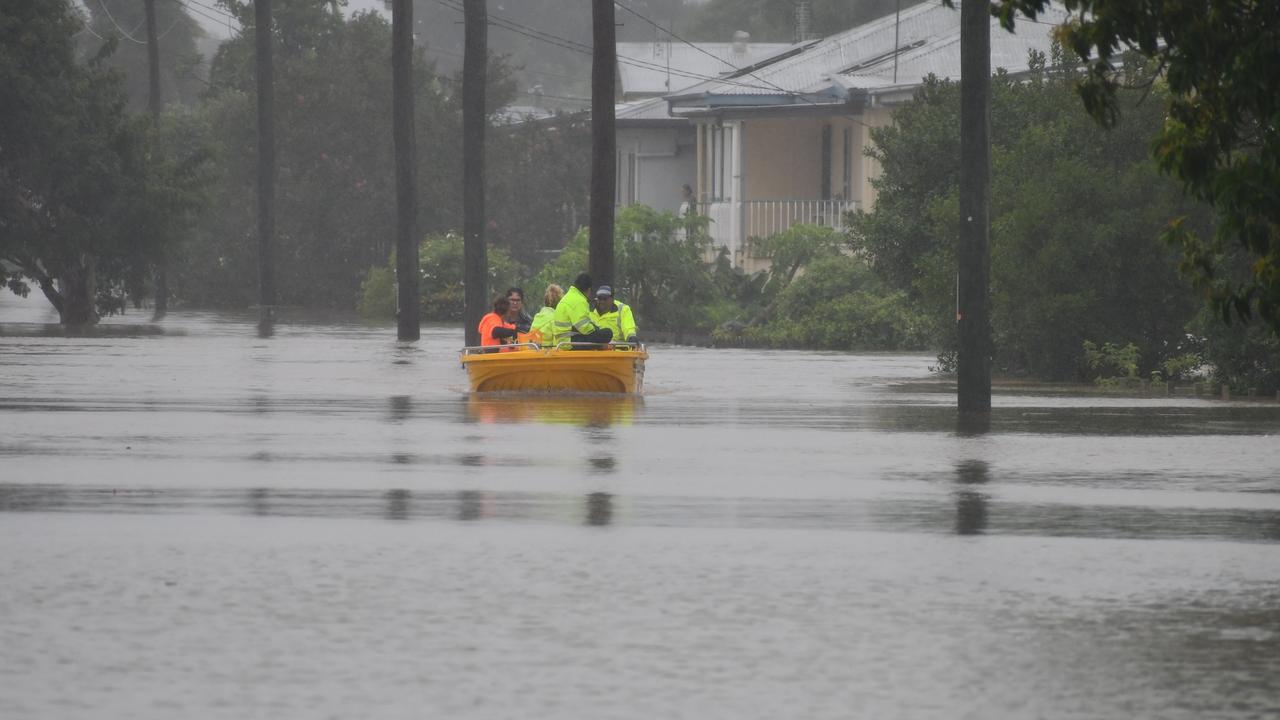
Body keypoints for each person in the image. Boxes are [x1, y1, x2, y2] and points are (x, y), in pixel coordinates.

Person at [553, 272, 611, 347]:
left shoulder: (568, 297)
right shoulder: (579, 301)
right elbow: (584, 327)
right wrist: (597, 331)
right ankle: (600, 347)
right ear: (589, 289)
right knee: (607, 333)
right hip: (571, 342)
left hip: (562, 341)